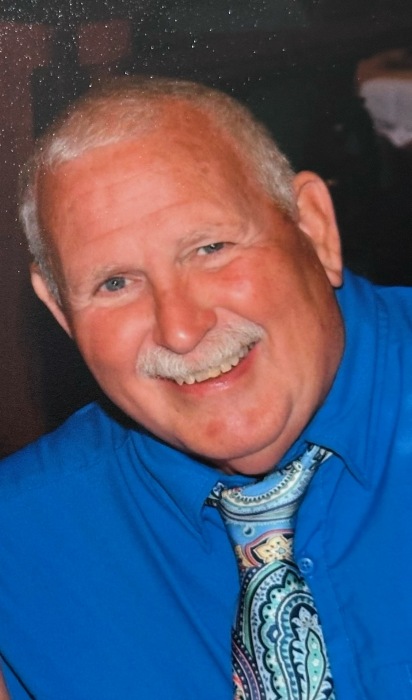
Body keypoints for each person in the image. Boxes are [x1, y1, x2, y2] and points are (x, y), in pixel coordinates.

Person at [0, 76, 411, 700]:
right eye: (115, 284)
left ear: (314, 228)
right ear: (60, 310)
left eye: (210, 247)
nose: (181, 329)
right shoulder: (21, 544)